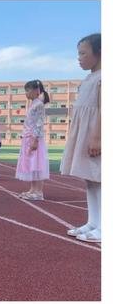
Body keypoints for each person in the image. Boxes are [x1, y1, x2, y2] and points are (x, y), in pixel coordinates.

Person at [61, 33, 101, 243]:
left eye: (83, 53)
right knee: (91, 180)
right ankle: (93, 222)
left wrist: (97, 137)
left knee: (101, 180)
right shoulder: (89, 78)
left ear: (100, 53)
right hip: (86, 134)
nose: (79, 58)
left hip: (96, 134)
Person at [16, 80, 50, 200]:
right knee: (31, 164)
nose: (26, 93)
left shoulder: (39, 104)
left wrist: (35, 140)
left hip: (34, 138)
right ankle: (32, 189)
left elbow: (39, 124)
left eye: (28, 90)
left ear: (36, 90)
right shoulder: (32, 104)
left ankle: (39, 192)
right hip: (28, 138)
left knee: (37, 164)